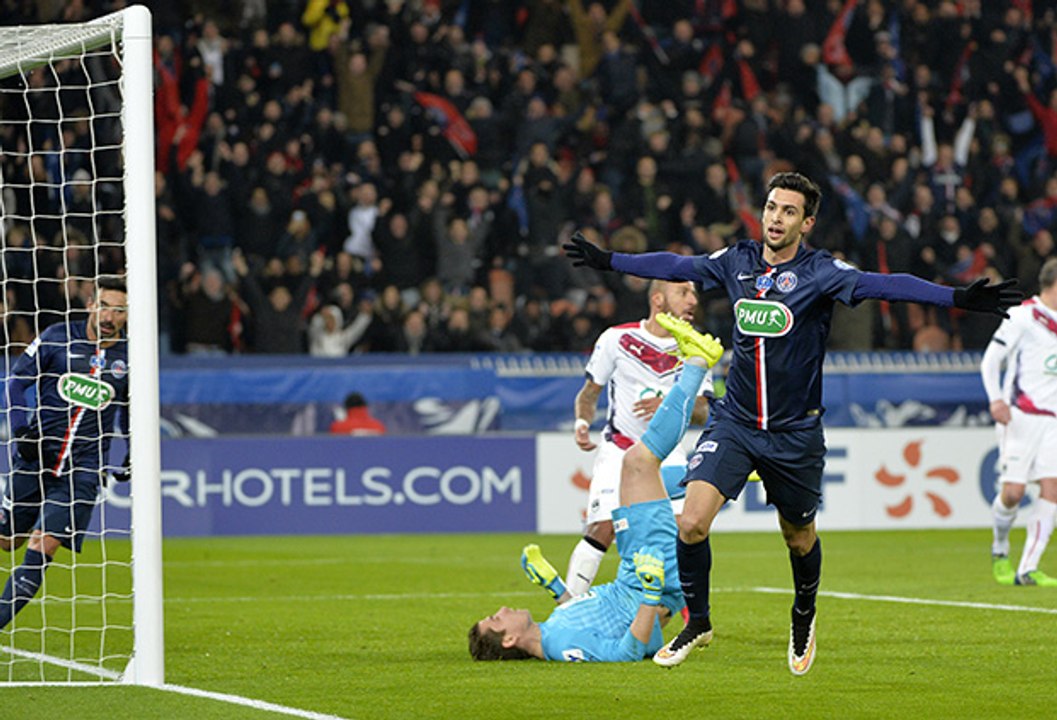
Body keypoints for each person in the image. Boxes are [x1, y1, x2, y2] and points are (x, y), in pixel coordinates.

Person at [564, 171, 1022, 674]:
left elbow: (886, 285)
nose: (775, 218)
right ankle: (700, 621)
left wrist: (955, 299)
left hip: (794, 433)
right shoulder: (736, 261)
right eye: (771, 207)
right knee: (691, 522)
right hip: (736, 422)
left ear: (807, 222)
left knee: (798, 537)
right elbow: (676, 263)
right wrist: (610, 261)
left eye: (787, 212)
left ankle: (803, 613)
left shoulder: (822, 272)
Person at [468, 314, 723, 661]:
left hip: (634, 570)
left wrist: (555, 586)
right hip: (648, 576)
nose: (501, 608)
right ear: (509, 639)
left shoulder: (554, 628)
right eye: (497, 619)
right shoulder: (559, 646)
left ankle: (719, 474)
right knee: (639, 462)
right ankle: (696, 364)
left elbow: (593, 619)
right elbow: (628, 653)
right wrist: (651, 594)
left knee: (637, 473)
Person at [1, 277, 131, 630]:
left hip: (84, 470)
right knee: (8, 540)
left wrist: (133, 451)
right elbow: (16, 381)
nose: (110, 316)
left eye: (119, 310)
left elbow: (130, 409)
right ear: (90, 304)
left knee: (43, 545)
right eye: (105, 306)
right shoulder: (58, 335)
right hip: (37, 453)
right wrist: (19, 430)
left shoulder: (130, 357)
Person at [568, 279, 711, 598]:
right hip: (619, 450)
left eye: (694, 294)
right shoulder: (616, 338)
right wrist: (581, 421)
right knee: (601, 530)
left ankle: (690, 619)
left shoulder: (697, 346)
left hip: (667, 455)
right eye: (683, 293)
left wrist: (672, 405)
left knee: (684, 534)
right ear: (658, 300)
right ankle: (567, 613)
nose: (692, 301)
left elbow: (703, 411)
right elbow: (589, 394)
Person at [981, 257, 1057, 587]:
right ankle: (1000, 550)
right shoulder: (1024, 316)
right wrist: (996, 398)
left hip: (1052, 420)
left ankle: (1028, 567)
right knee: (1013, 492)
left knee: (1052, 488)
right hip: (1020, 415)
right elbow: (991, 359)